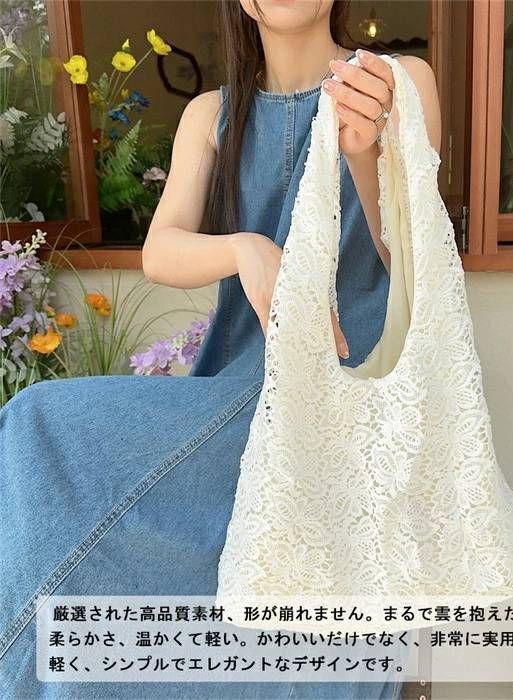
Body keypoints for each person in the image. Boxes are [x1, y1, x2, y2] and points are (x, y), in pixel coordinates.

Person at [0, 0, 441, 696]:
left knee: (37, 429)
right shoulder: (211, 114)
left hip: (351, 389)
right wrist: (245, 248)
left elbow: (419, 261)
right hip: (241, 386)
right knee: (36, 431)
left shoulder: (400, 81)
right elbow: (160, 250)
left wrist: (365, 156)